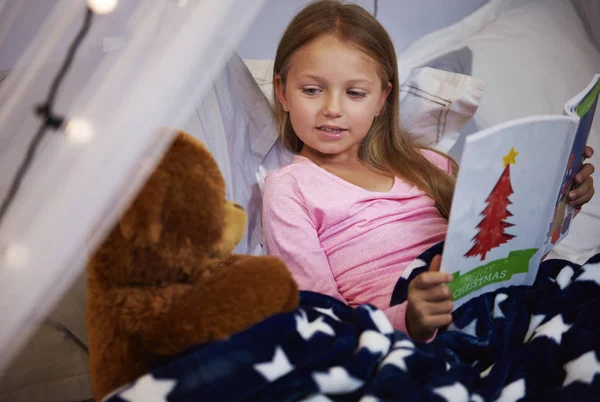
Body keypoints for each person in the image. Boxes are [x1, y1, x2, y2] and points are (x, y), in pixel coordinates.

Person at [261, 0, 596, 342]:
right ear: (282, 92)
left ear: (381, 98)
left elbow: (500, 244)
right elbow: (319, 314)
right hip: (412, 329)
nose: (332, 109)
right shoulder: (289, 189)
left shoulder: (427, 164)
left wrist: (565, 199)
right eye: (312, 90)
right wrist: (408, 318)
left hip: (493, 300)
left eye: (355, 93)